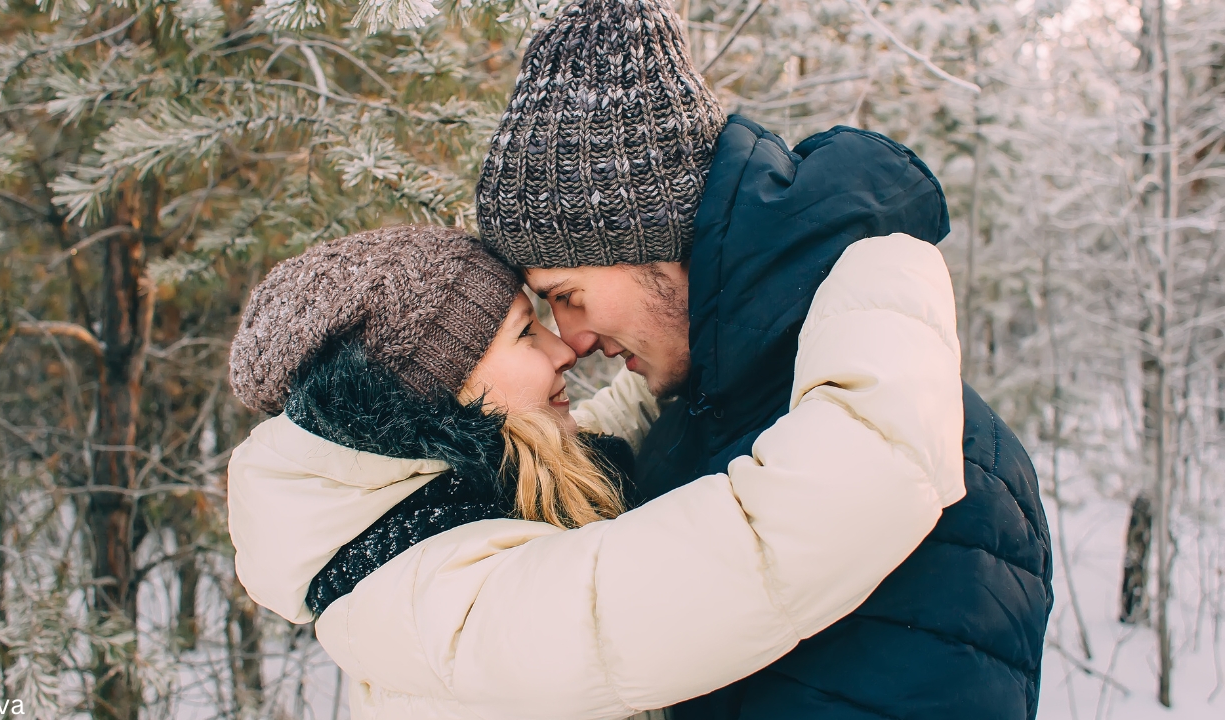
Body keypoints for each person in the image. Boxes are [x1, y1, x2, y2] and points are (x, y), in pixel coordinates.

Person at [474, 1, 1053, 718]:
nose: (575, 340)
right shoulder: (700, 415)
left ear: (652, 239)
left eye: (568, 295)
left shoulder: (926, 455)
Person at [225, 223, 965, 719]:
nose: (563, 350)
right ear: (437, 395)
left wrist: (670, 341)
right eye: (525, 332)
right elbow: (803, 523)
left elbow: (608, 429)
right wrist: (886, 269)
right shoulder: (451, 608)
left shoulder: (425, 527)